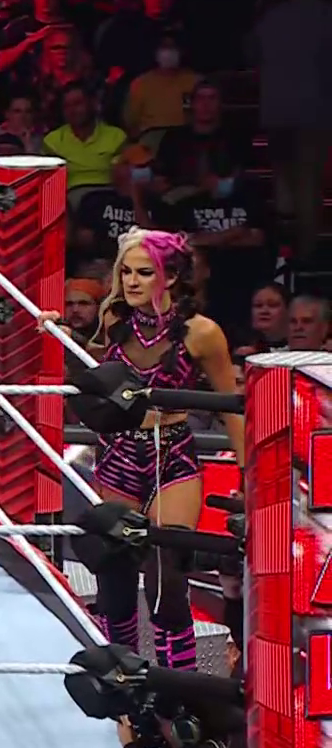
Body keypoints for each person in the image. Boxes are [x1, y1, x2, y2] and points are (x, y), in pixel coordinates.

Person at [50, 228, 241, 671]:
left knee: (166, 580)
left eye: (144, 273)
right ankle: (123, 679)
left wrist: (251, 474)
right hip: (118, 454)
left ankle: (180, 685)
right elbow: (98, 367)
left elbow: (231, 405)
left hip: (172, 456)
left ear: (170, 277)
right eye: (126, 272)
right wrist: (64, 337)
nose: (132, 281)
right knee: (115, 577)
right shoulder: (113, 320)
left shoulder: (202, 332)